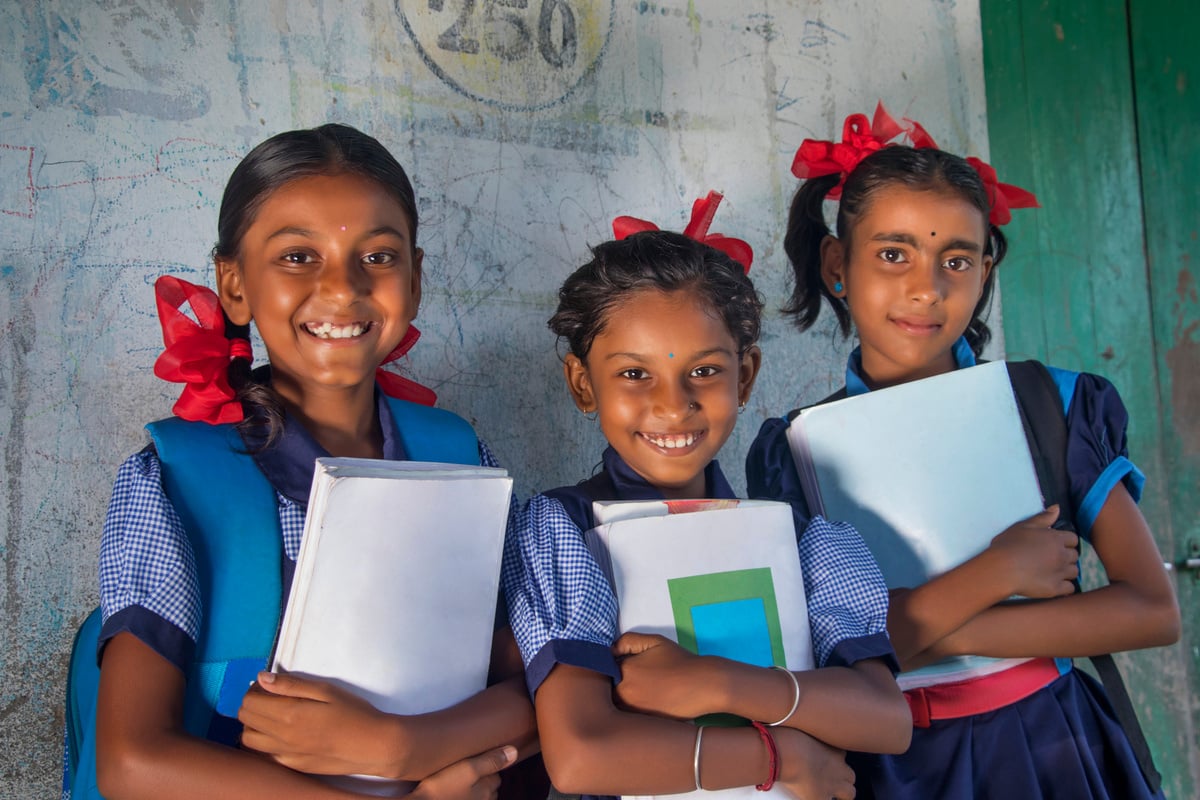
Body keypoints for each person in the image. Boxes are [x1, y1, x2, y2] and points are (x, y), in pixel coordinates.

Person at [85, 124, 536, 800]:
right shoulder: (176, 480)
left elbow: (550, 684)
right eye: (298, 256)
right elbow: (132, 763)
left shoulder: (461, 458)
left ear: (415, 281)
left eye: (378, 257)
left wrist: (402, 747)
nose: (342, 287)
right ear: (233, 286)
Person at [746, 104, 1181, 799]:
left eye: (957, 259)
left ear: (985, 271)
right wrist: (998, 570)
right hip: (893, 767)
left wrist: (913, 631)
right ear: (837, 265)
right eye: (894, 254)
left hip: (1054, 747)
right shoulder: (797, 450)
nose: (927, 288)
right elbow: (819, 657)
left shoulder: (1053, 404)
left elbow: (1151, 610)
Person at [501, 192, 911, 800]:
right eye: (635, 374)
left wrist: (715, 682)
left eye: (705, 371)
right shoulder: (564, 533)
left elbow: (886, 719)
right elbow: (581, 755)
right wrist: (780, 758)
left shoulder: (797, 536)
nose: (673, 405)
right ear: (583, 385)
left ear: (745, 376)